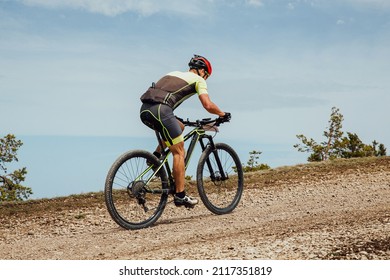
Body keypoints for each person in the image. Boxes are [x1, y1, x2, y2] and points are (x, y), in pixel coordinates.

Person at [139, 54, 231, 208]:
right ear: (202, 71)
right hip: (162, 110)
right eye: (207, 75)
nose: (206, 79)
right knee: (180, 152)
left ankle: (155, 157)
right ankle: (180, 195)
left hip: (145, 110)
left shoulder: (172, 73)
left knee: (179, 126)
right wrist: (222, 114)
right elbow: (208, 105)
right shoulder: (198, 80)